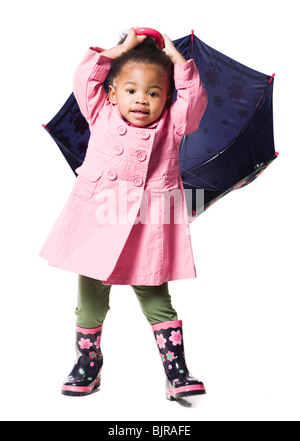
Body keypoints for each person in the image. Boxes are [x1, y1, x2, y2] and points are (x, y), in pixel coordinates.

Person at [39, 27, 208, 399]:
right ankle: (88, 363)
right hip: (98, 218)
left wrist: (179, 61)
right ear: (113, 93)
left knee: (155, 297)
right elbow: (86, 77)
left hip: (147, 223)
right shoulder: (101, 113)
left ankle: (175, 370)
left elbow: (194, 103)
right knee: (91, 299)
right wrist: (122, 48)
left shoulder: (174, 125)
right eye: (131, 90)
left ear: (168, 98)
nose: (141, 100)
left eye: (153, 93)